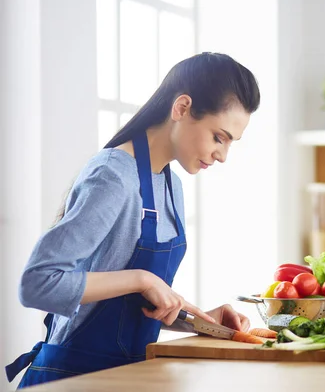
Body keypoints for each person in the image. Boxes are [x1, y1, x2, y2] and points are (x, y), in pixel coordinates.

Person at [5, 52, 261, 389]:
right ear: (182, 108)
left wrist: (199, 320)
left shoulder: (172, 186)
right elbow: (37, 283)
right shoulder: (113, 175)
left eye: (231, 143)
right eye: (219, 137)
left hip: (126, 379)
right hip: (72, 379)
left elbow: (128, 306)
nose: (223, 156)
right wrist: (141, 278)